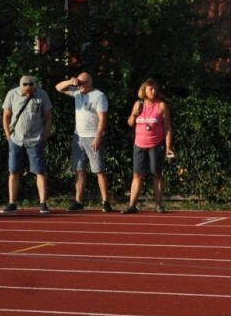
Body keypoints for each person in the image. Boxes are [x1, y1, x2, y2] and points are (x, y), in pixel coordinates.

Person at [55, 72, 112, 212]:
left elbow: (102, 118)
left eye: (81, 83)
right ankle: (78, 201)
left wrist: (98, 137)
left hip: (93, 137)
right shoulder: (77, 93)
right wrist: (70, 82)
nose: (79, 85)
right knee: (79, 170)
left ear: (89, 82)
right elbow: (58, 88)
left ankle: (105, 201)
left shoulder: (99, 96)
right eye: (78, 83)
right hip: (78, 137)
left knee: (99, 170)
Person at [1, 75, 53, 214]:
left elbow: (48, 116)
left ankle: (43, 203)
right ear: (20, 85)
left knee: (40, 171)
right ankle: (12, 203)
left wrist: (44, 136)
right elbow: (6, 115)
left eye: (31, 85)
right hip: (16, 139)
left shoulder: (42, 95)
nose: (28, 87)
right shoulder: (12, 94)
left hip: (35, 139)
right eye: (25, 85)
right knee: (13, 171)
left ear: (35, 85)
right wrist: (8, 135)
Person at [124, 79, 174, 213]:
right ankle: (132, 205)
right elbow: (130, 123)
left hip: (155, 144)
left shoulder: (161, 106)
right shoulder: (138, 104)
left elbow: (168, 128)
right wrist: (134, 115)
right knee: (137, 175)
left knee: (156, 173)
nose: (153, 91)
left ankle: (158, 204)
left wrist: (168, 147)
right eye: (150, 89)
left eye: (155, 89)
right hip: (139, 144)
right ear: (144, 90)